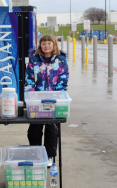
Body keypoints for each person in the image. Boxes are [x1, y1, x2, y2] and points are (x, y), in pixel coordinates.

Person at [25, 34, 69, 166]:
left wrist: (58, 97)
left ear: (54, 45)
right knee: (35, 130)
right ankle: (35, 153)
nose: (46, 46)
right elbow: (29, 79)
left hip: (53, 102)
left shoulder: (61, 61)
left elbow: (63, 80)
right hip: (37, 101)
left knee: (51, 130)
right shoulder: (34, 60)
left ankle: (49, 156)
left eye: (49, 43)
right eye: (43, 44)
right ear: (40, 46)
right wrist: (31, 96)